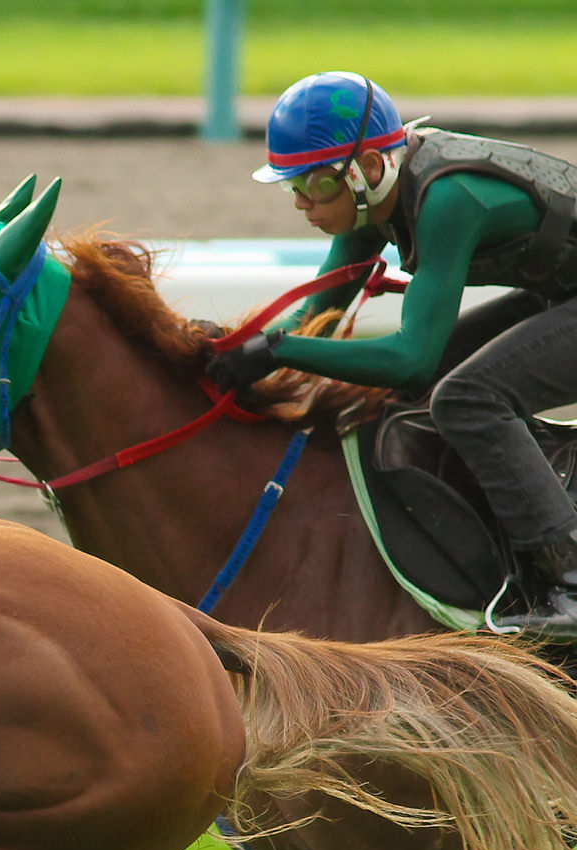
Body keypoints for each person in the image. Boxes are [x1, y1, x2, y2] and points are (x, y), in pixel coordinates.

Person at [209, 72, 577, 631]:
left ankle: (567, 579)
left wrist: (278, 351)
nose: (304, 204)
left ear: (368, 169)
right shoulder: (369, 202)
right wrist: (235, 348)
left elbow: (410, 357)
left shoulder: (449, 199)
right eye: (292, 188)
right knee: (423, 392)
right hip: (560, 292)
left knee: (465, 398)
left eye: (316, 185)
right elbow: (315, 321)